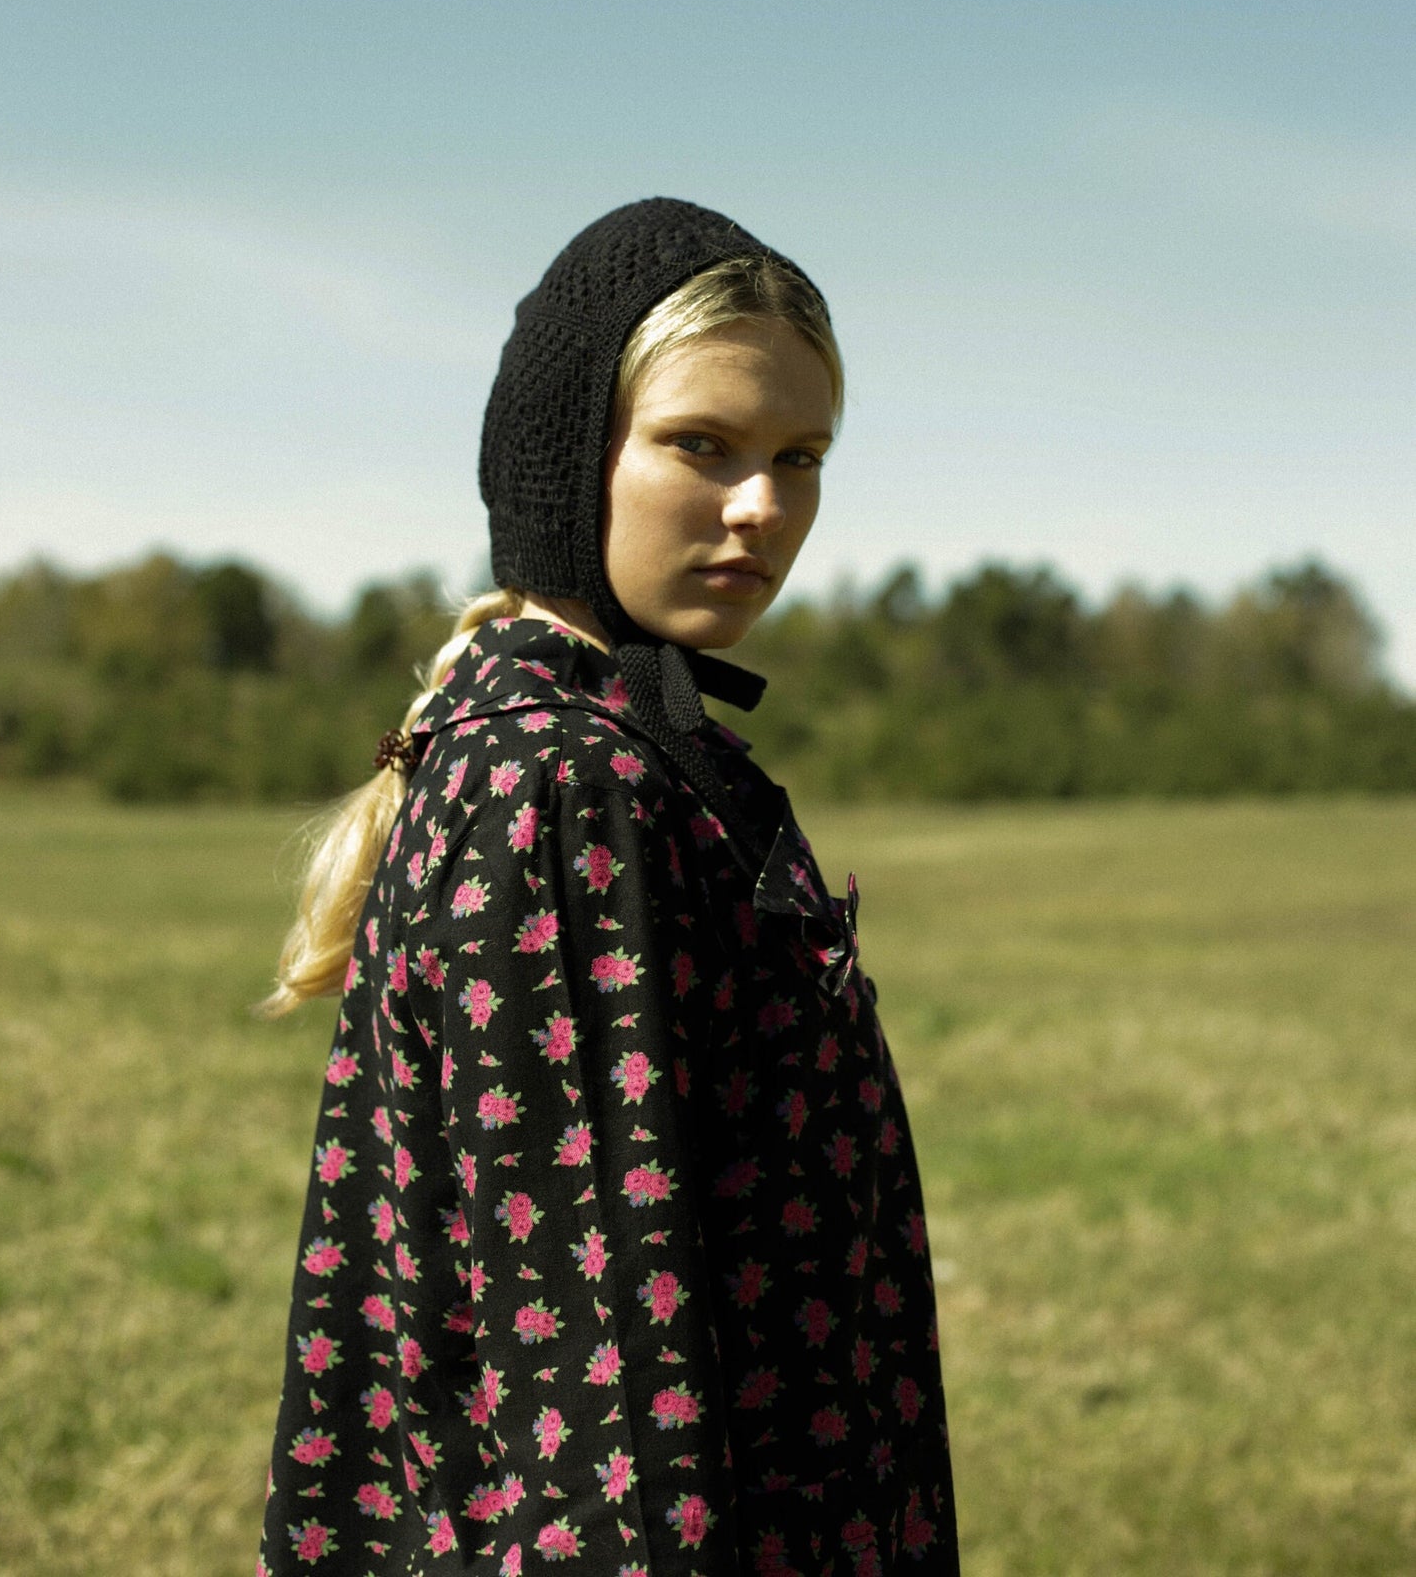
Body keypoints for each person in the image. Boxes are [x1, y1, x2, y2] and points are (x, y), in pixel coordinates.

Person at [256, 197, 958, 1576]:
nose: (760, 507)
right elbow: (599, 1394)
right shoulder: (566, 788)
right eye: (700, 445)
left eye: (798, 457)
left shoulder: (598, 744)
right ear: (569, 456)